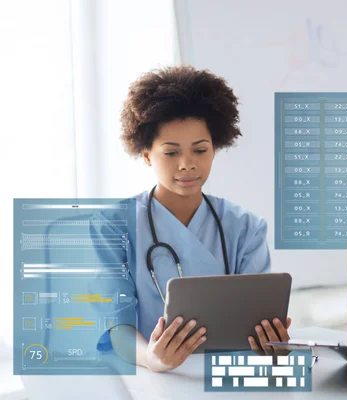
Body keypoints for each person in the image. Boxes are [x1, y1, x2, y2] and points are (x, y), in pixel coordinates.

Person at [94, 65, 291, 372]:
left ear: (215, 149)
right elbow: (115, 327)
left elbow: (255, 322)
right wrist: (153, 359)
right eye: (171, 153)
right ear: (146, 154)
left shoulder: (246, 228)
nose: (187, 164)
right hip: (146, 377)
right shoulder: (112, 226)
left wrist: (269, 344)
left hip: (226, 376)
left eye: (200, 150)